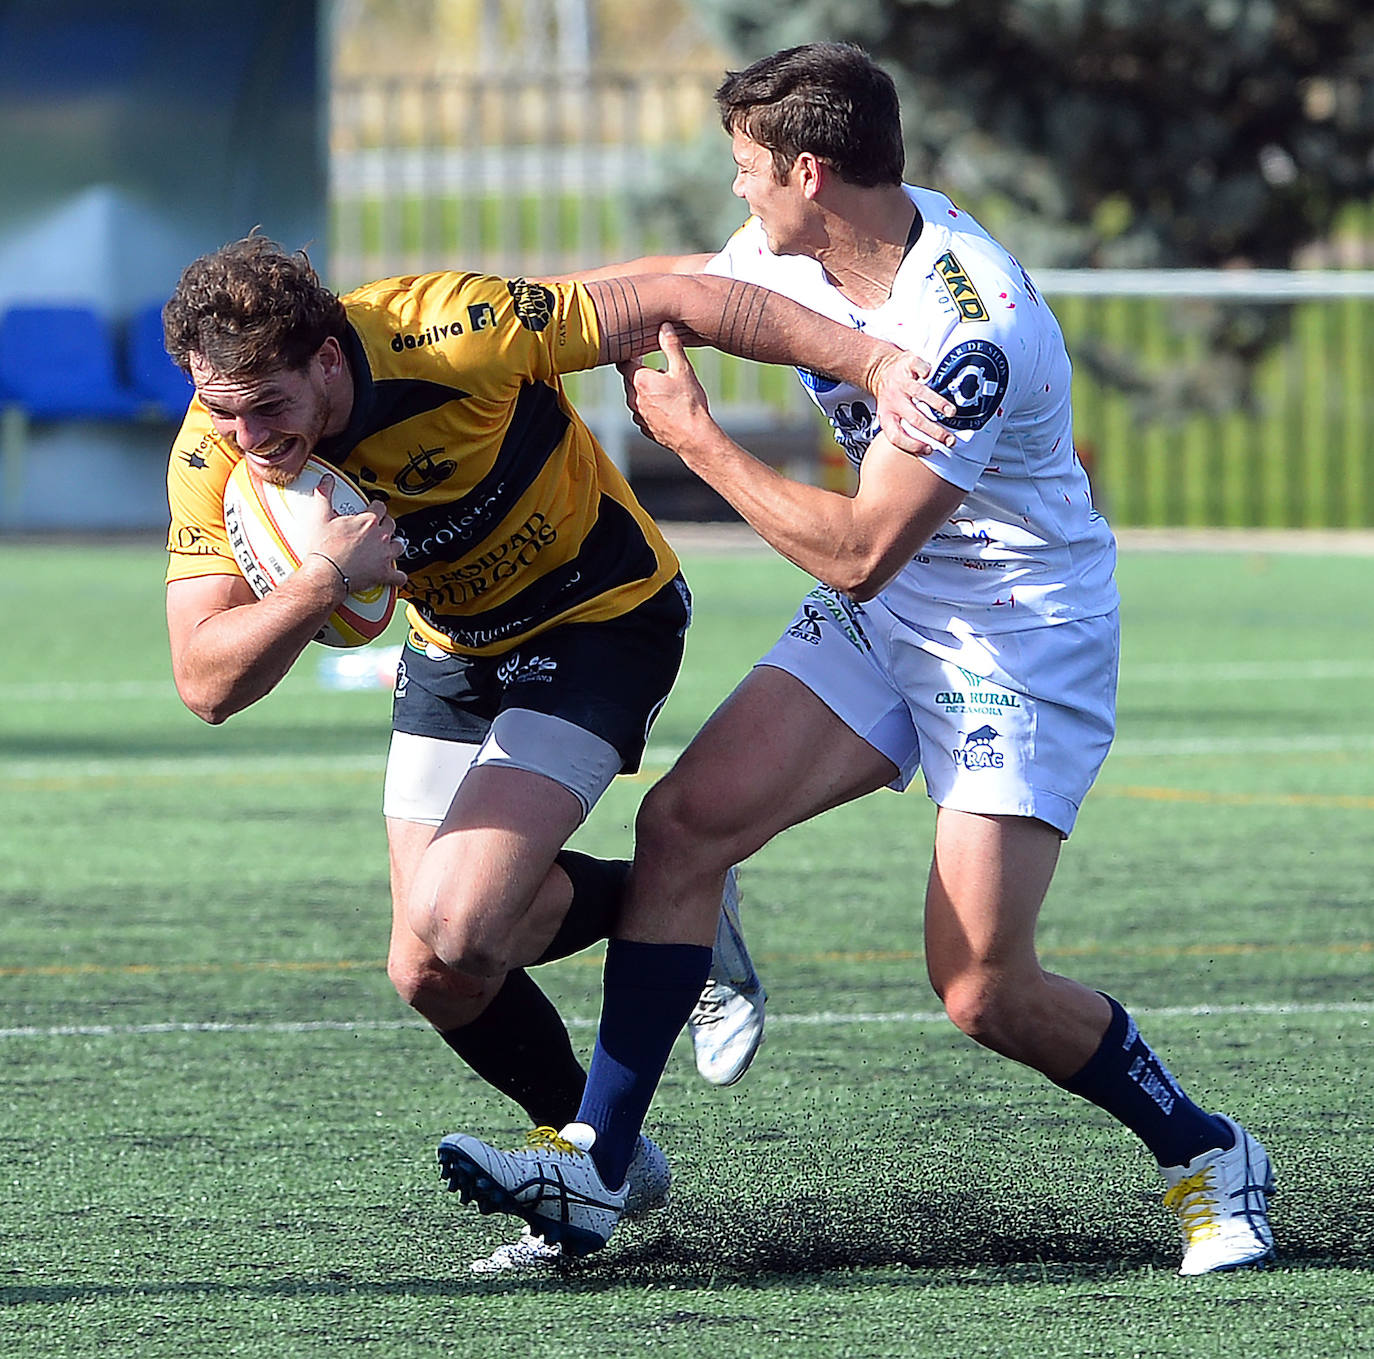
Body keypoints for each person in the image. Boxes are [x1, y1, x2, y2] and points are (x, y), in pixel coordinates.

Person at [436, 43, 1276, 1278]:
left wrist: (697, 443)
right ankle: (596, 1170)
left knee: (981, 988)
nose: (738, 196)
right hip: (894, 619)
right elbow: (654, 291)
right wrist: (453, 338)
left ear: (811, 173)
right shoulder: (806, 253)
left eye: (746, 173)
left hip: (1012, 636)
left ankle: (1207, 1151)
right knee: (684, 828)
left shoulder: (965, 328)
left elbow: (859, 552)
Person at [161, 232, 956, 1272]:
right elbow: (207, 683)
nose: (246, 435)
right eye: (222, 408)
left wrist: (876, 361)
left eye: (267, 406)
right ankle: (599, 1135)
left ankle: (598, 1134)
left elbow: (681, 294)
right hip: (455, 650)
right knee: (435, 967)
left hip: (600, 618)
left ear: (325, 357)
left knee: (455, 912)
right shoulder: (211, 446)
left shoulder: (451, 331)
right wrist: (321, 581)